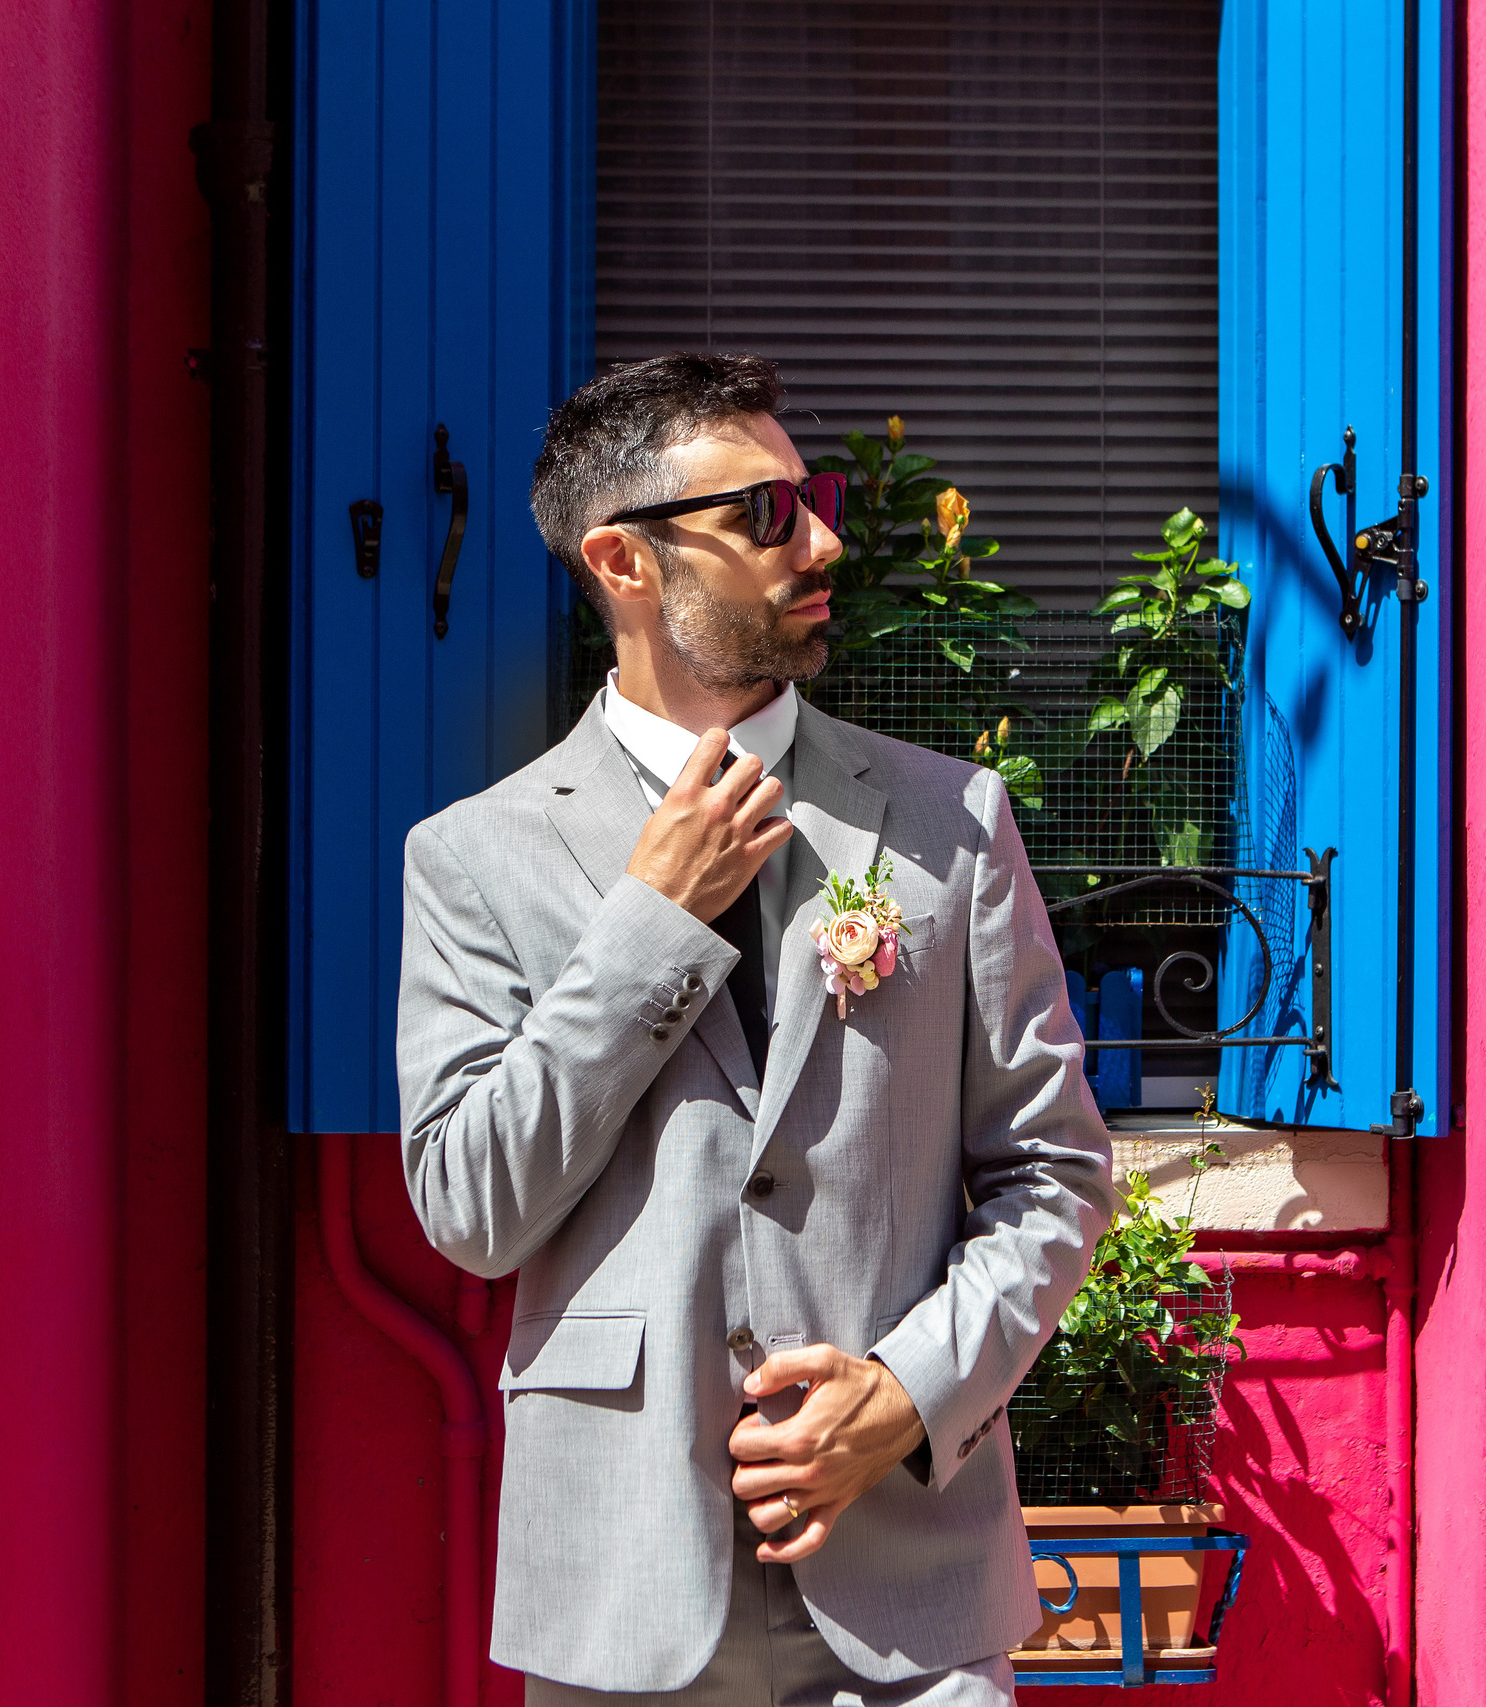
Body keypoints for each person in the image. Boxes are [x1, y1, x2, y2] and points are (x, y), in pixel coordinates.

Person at [395, 350, 1116, 1705]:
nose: (825, 537)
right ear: (623, 561)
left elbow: (1057, 1172)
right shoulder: (475, 860)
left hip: (913, 1597)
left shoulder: (948, 824)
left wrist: (906, 1395)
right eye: (767, 514)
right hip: (623, 1594)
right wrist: (645, 931)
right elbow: (473, 1209)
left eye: (816, 494)